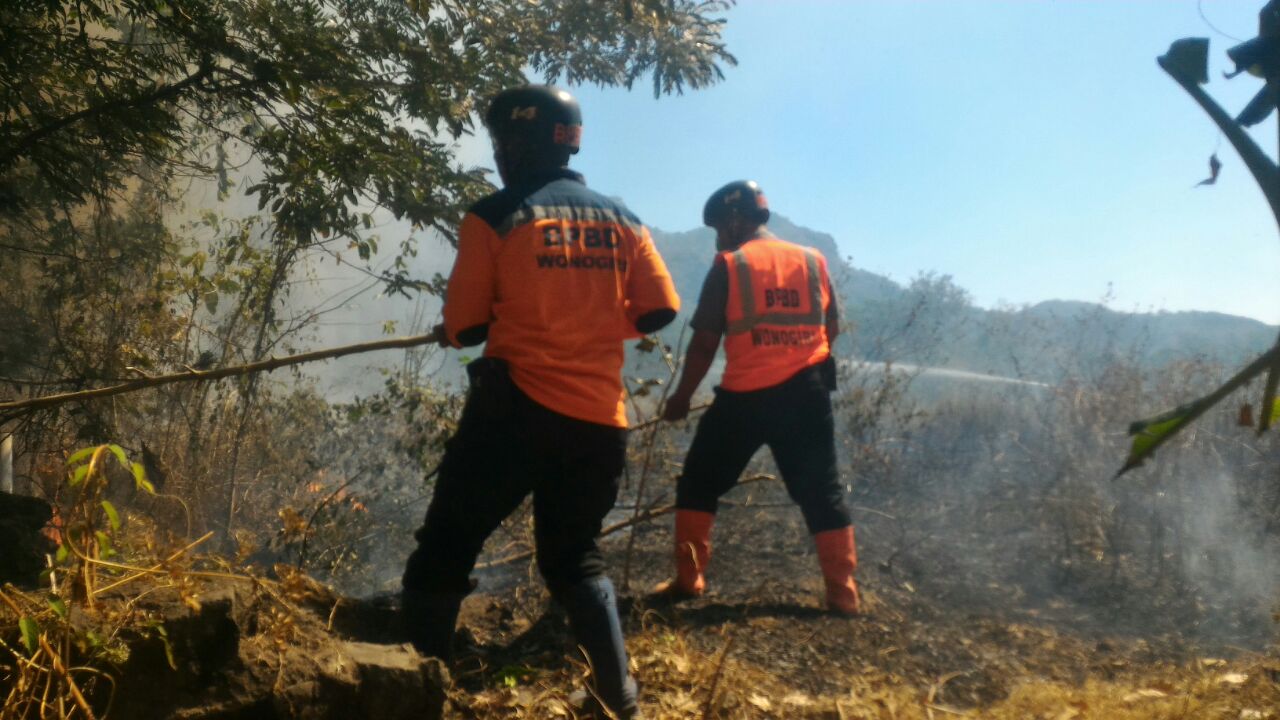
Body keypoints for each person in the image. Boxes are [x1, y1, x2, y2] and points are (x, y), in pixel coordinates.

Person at [401, 84, 680, 718]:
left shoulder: (495, 215)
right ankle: (618, 699)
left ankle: (416, 691)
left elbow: (467, 328)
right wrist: (592, 323)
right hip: (599, 423)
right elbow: (659, 309)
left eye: (501, 142)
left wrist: (498, 323)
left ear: (514, 145)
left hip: (515, 413)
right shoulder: (625, 219)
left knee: (445, 547)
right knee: (575, 558)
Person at [658, 180, 861, 615]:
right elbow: (833, 326)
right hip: (807, 393)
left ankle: (689, 580)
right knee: (820, 489)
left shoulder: (731, 263)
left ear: (734, 221)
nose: (717, 237)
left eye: (718, 228)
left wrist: (680, 398)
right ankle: (843, 594)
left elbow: (704, 344)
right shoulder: (813, 260)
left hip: (745, 398)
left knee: (699, 482)